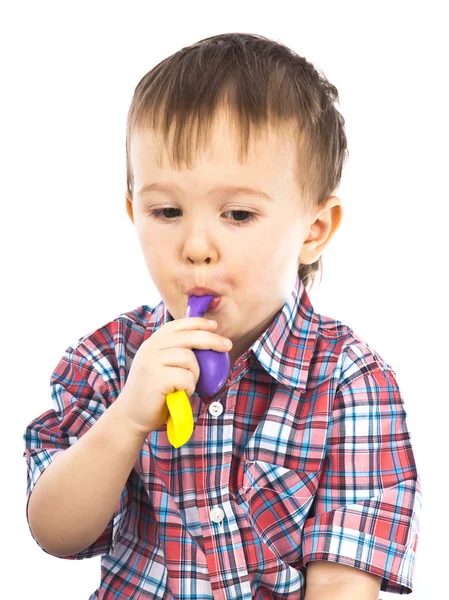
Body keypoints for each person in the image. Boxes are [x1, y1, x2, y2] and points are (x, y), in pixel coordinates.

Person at [23, 32, 422, 599]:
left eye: (237, 213)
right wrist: (127, 422)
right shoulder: (106, 360)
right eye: (166, 211)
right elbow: (55, 532)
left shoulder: (350, 382)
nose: (196, 245)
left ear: (314, 231)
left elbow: (342, 580)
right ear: (134, 211)